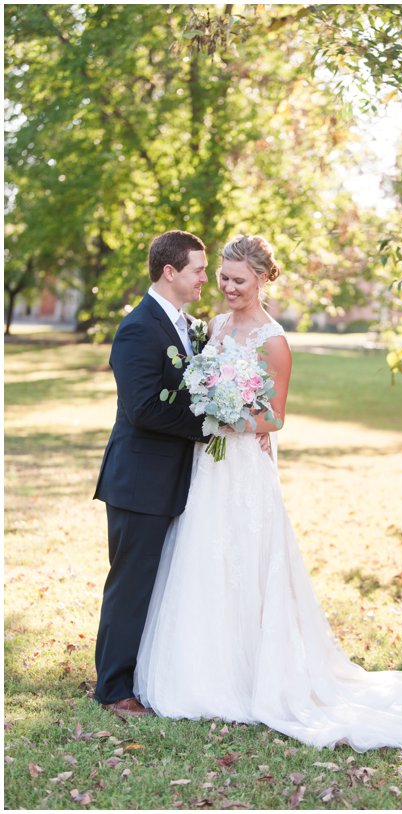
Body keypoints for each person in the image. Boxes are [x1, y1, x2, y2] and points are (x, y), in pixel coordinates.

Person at [132, 235, 402, 751]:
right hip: (209, 466)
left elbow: (274, 418)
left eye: (238, 280)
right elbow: (196, 385)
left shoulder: (273, 340)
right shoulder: (215, 327)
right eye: (222, 277)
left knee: (247, 561)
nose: (226, 287)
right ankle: (202, 669)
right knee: (204, 557)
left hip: (243, 469)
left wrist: (225, 417)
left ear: (262, 280)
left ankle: (253, 674)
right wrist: (206, 403)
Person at [93, 229, 211, 719]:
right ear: (170, 271)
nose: (204, 279)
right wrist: (210, 424)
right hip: (139, 480)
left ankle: (142, 674)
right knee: (132, 584)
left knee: (159, 582)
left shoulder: (189, 327)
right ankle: (113, 689)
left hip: (175, 478)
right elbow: (142, 408)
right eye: (198, 270)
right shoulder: (139, 327)